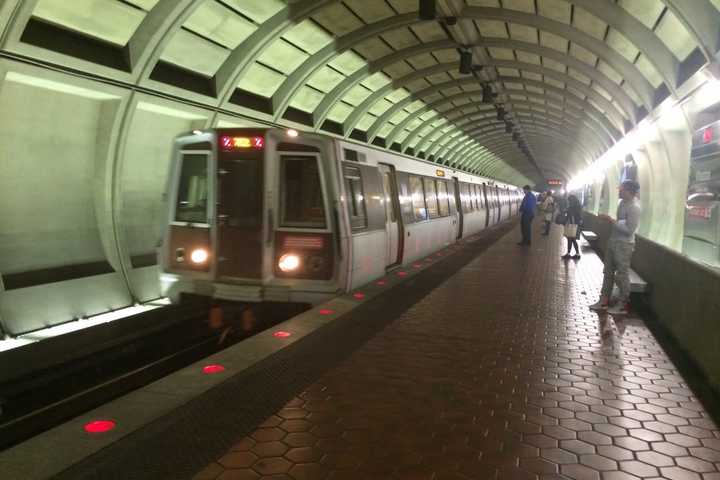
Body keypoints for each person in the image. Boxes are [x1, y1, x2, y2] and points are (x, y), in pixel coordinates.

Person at [589, 180, 641, 315]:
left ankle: (623, 304)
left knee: (622, 274)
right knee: (608, 271)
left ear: (630, 191)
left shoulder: (635, 207)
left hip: (624, 245)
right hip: (613, 241)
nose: (619, 191)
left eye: (622, 189)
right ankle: (604, 300)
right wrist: (614, 222)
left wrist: (611, 221)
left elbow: (629, 230)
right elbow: (621, 223)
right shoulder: (622, 203)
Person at [562, 195, 582, 259]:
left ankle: (570, 253)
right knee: (572, 239)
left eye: (569, 201)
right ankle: (576, 253)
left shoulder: (572, 207)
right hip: (576, 225)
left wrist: (566, 211)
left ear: (571, 200)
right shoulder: (578, 207)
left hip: (572, 225)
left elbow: (570, 216)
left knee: (570, 239)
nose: (569, 202)